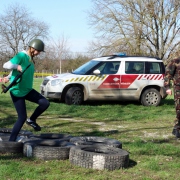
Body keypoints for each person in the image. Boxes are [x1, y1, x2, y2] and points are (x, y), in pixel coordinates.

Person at [3, 39, 50, 141]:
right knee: (21, 117)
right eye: (38, 51)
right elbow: (6, 65)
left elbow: (21, 71)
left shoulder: (30, 59)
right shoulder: (21, 56)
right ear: (32, 48)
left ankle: (31, 120)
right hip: (17, 92)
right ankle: (11, 142)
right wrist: (16, 66)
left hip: (27, 90)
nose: (39, 53)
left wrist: (9, 77)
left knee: (45, 103)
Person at [164, 57, 180, 138]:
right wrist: (167, 87)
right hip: (178, 89)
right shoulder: (176, 61)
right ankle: (177, 129)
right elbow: (167, 74)